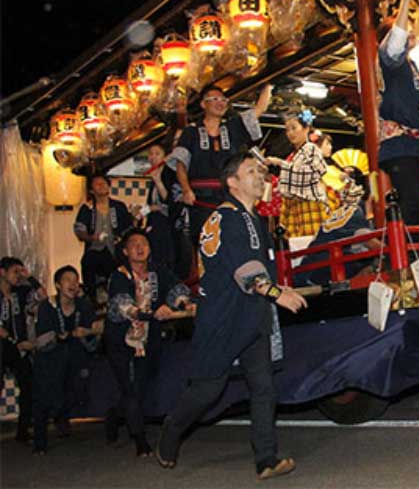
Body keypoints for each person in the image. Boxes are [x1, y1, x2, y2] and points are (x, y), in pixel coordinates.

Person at [157, 152, 307, 480]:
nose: (260, 175)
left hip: (252, 316)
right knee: (208, 391)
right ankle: (172, 428)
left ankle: (265, 459)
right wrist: (275, 293)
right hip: (223, 319)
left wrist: (278, 287)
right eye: (251, 171)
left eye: (261, 170)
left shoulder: (254, 219)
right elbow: (244, 272)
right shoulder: (225, 218)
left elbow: (259, 269)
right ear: (232, 182)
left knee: (264, 387)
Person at [105, 229, 192, 456]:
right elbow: (124, 306)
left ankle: (115, 415)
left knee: (140, 386)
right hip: (121, 341)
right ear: (125, 251)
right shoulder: (119, 276)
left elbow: (177, 289)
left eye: (144, 243)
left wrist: (181, 304)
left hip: (149, 339)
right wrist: (155, 313)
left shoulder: (157, 272)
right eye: (134, 244)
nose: (140, 247)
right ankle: (140, 440)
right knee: (131, 388)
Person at [168, 83, 271, 250]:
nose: (220, 103)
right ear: (203, 104)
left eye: (224, 99)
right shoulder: (191, 132)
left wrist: (268, 85)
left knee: (235, 241)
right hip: (200, 201)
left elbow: (258, 110)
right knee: (207, 245)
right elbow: (180, 163)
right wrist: (186, 190)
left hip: (230, 197)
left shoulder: (231, 128)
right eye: (214, 99)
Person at [377, 0, 419, 225]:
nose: (409, 33)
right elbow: (396, 39)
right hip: (401, 146)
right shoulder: (391, 61)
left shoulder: (410, 67)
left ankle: (416, 257)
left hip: (415, 146)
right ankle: (410, 258)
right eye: (404, 30)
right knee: (411, 207)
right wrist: (404, 0)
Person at [30, 266, 97, 454]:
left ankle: (62, 417)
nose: (73, 284)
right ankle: (40, 442)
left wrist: (89, 331)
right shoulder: (47, 306)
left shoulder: (83, 304)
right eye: (67, 280)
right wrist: (66, 335)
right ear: (58, 285)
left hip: (74, 357)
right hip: (49, 359)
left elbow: (96, 326)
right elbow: (45, 337)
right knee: (43, 399)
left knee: (77, 390)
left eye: (75, 280)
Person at [297, 168, 379, 286]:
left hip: (309, 266)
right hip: (324, 270)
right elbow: (365, 236)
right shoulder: (357, 213)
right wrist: (388, 254)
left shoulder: (344, 211)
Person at [266, 110, 329, 238]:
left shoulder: (311, 149)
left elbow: (309, 175)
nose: (290, 133)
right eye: (287, 130)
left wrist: (280, 163)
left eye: (294, 128)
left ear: (306, 128)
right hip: (294, 209)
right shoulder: (293, 155)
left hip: (311, 206)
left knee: (312, 247)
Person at [74, 173, 133, 304]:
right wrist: (90, 237)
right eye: (97, 183)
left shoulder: (118, 206)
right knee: (88, 261)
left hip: (116, 250)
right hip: (95, 251)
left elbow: (129, 228)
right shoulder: (87, 208)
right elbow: (79, 229)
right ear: (91, 190)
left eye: (104, 183)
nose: (101, 185)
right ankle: (92, 300)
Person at [1, 257, 35, 443]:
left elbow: (41, 297)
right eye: (15, 271)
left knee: (27, 384)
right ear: (2, 272)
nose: (18, 276)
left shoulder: (21, 292)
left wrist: (30, 277)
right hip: (2, 344)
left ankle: (23, 430)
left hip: (18, 345)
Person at [143, 142, 177, 271]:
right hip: (155, 224)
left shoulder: (170, 174)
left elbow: (170, 201)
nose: (153, 157)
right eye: (150, 154)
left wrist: (158, 181)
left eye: (157, 154)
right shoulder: (154, 175)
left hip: (168, 226)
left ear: (165, 156)